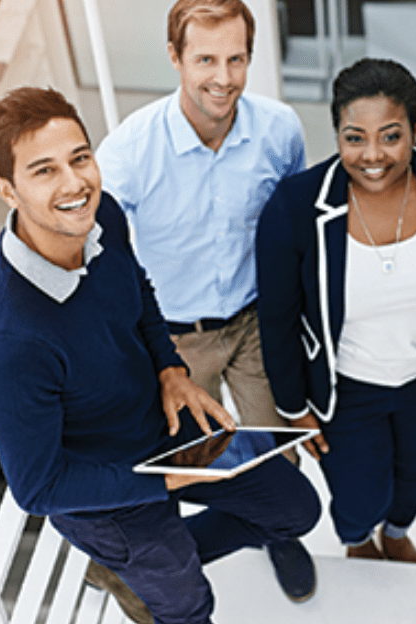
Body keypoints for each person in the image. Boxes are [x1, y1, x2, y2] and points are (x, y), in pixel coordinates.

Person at [0, 86, 320, 624]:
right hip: (103, 496)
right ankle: (150, 565)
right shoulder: (6, 339)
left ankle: (142, 565)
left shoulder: (100, 213)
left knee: (295, 509)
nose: (74, 184)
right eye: (44, 171)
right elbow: (39, 487)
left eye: (80, 158)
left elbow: (139, 290)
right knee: (189, 605)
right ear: (8, 190)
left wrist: (170, 368)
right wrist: (160, 485)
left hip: (163, 427)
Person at [94, 0, 315, 603]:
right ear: (175, 58)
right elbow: (97, 252)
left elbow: (294, 227)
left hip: (255, 323)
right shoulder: (131, 150)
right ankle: (168, 561)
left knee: (276, 447)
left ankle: (279, 532)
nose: (224, 77)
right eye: (206, 60)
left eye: (237, 58)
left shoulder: (279, 129)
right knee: (198, 461)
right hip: (176, 338)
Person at [256, 58, 416, 562]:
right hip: (347, 388)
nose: (372, 155)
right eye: (354, 137)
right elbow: (276, 318)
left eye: (390, 136)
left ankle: (398, 532)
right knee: (360, 492)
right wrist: (295, 408)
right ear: (337, 133)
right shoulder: (296, 207)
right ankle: (359, 539)